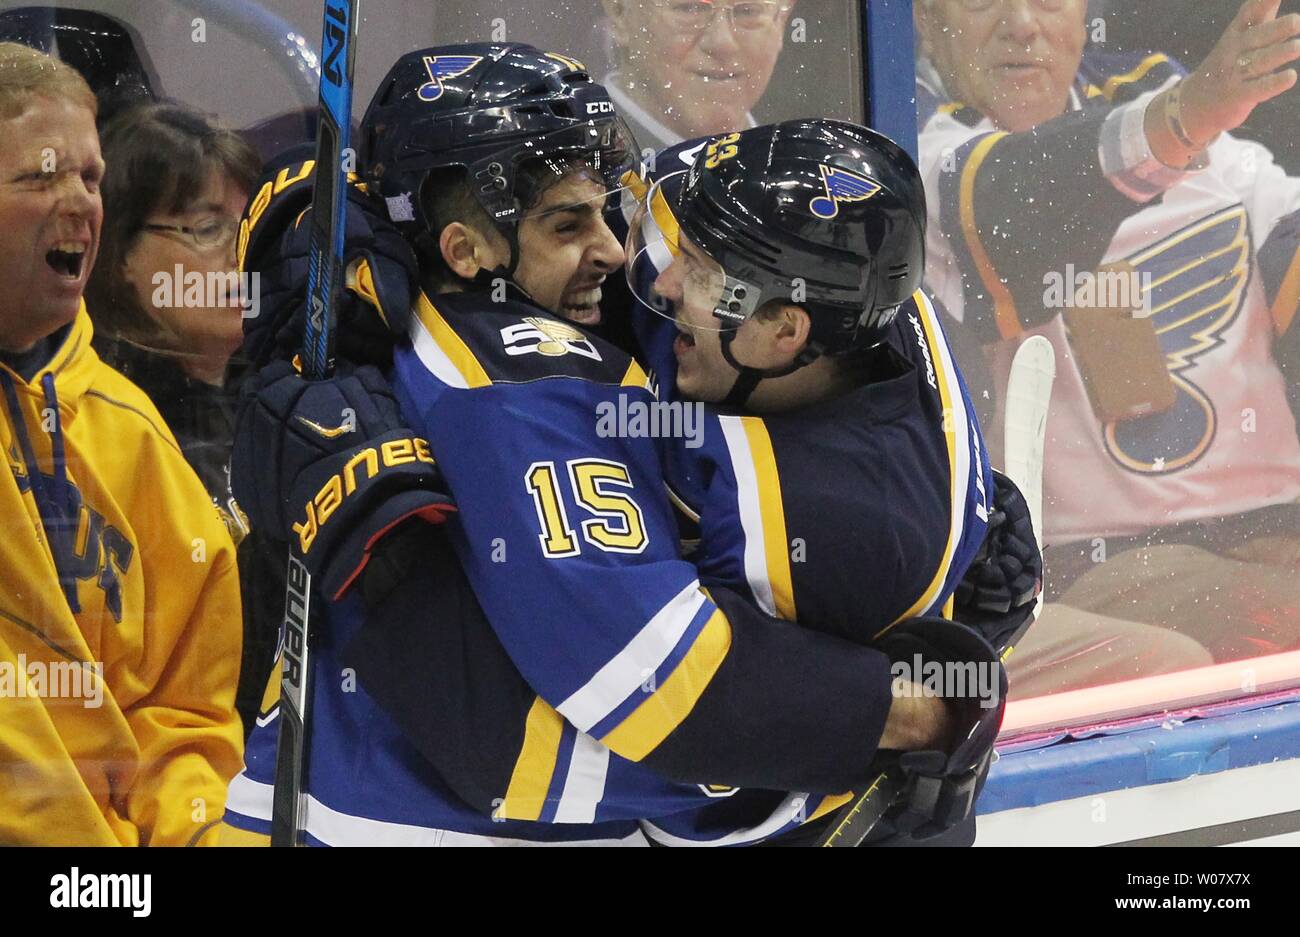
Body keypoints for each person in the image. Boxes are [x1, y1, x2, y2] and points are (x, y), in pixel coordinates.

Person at [218, 45, 1010, 846]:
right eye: (570, 224)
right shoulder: (521, 386)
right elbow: (651, 696)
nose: (626, 257)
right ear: (466, 249)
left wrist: (307, 208)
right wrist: (922, 712)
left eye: (606, 212)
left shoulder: (499, 288)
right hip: (389, 823)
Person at [914, 0, 1300, 691]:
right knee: (1275, 622)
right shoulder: (911, 135)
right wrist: (1181, 120)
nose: (1023, 24)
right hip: (1096, 562)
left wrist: (1185, 112)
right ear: (920, 18)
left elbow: (1285, 240)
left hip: (1268, 528)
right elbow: (1014, 200)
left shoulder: (1158, 91)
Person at [0, 41, 243, 845]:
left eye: (92, 178)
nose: (79, 202)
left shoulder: (132, 434)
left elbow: (182, 719)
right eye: (40, 176)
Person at [599, 0, 795, 149]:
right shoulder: (582, 166)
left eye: (747, 11)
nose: (723, 43)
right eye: (690, 8)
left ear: (782, 20)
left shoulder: (800, 163)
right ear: (620, 13)